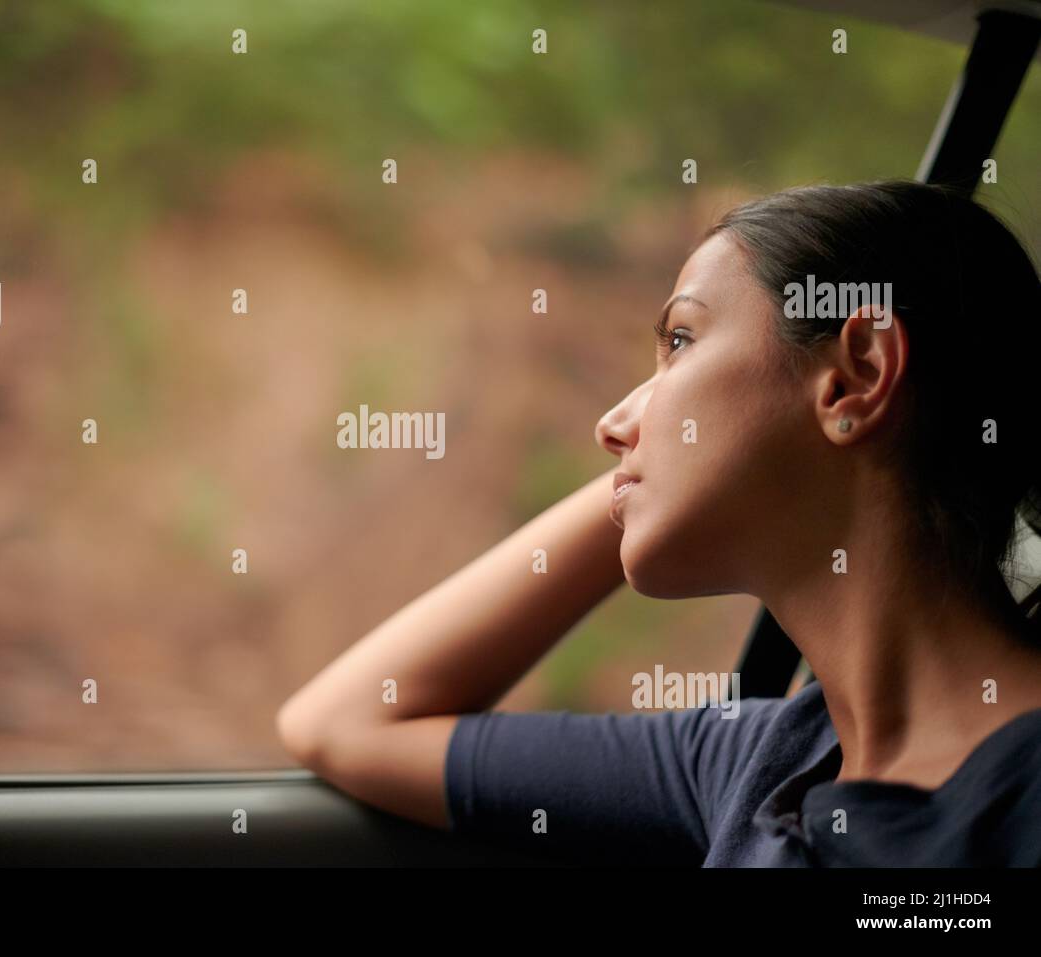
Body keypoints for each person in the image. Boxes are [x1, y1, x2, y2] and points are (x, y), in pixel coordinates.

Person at [276, 180, 1041, 866]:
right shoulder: (754, 761)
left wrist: (662, 473)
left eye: (679, 342)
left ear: (856, 377)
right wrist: (647, 477)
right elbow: (345, 722)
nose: (612, 424)